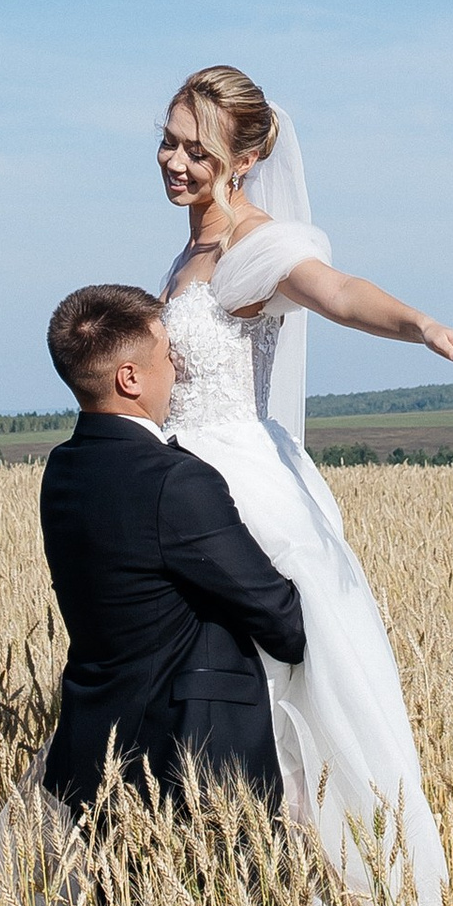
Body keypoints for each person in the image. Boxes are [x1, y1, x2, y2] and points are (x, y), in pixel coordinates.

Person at [153, 63, 453, 906]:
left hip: (245, 495)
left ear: (247, 155)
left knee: (289, 714)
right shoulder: (188, 253)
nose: (174, 161)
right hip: (184, 484)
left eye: (197, 149)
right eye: (168, 140)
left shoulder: (260, 247)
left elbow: (335, 294)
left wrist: (421, 325)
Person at [33, 281, 309, 827]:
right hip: (189, 764)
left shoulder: (62, 469)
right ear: (129, 377)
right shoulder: (176, 483)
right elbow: (284, 623)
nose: (178, 367)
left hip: (97, 753)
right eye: (166, 354)